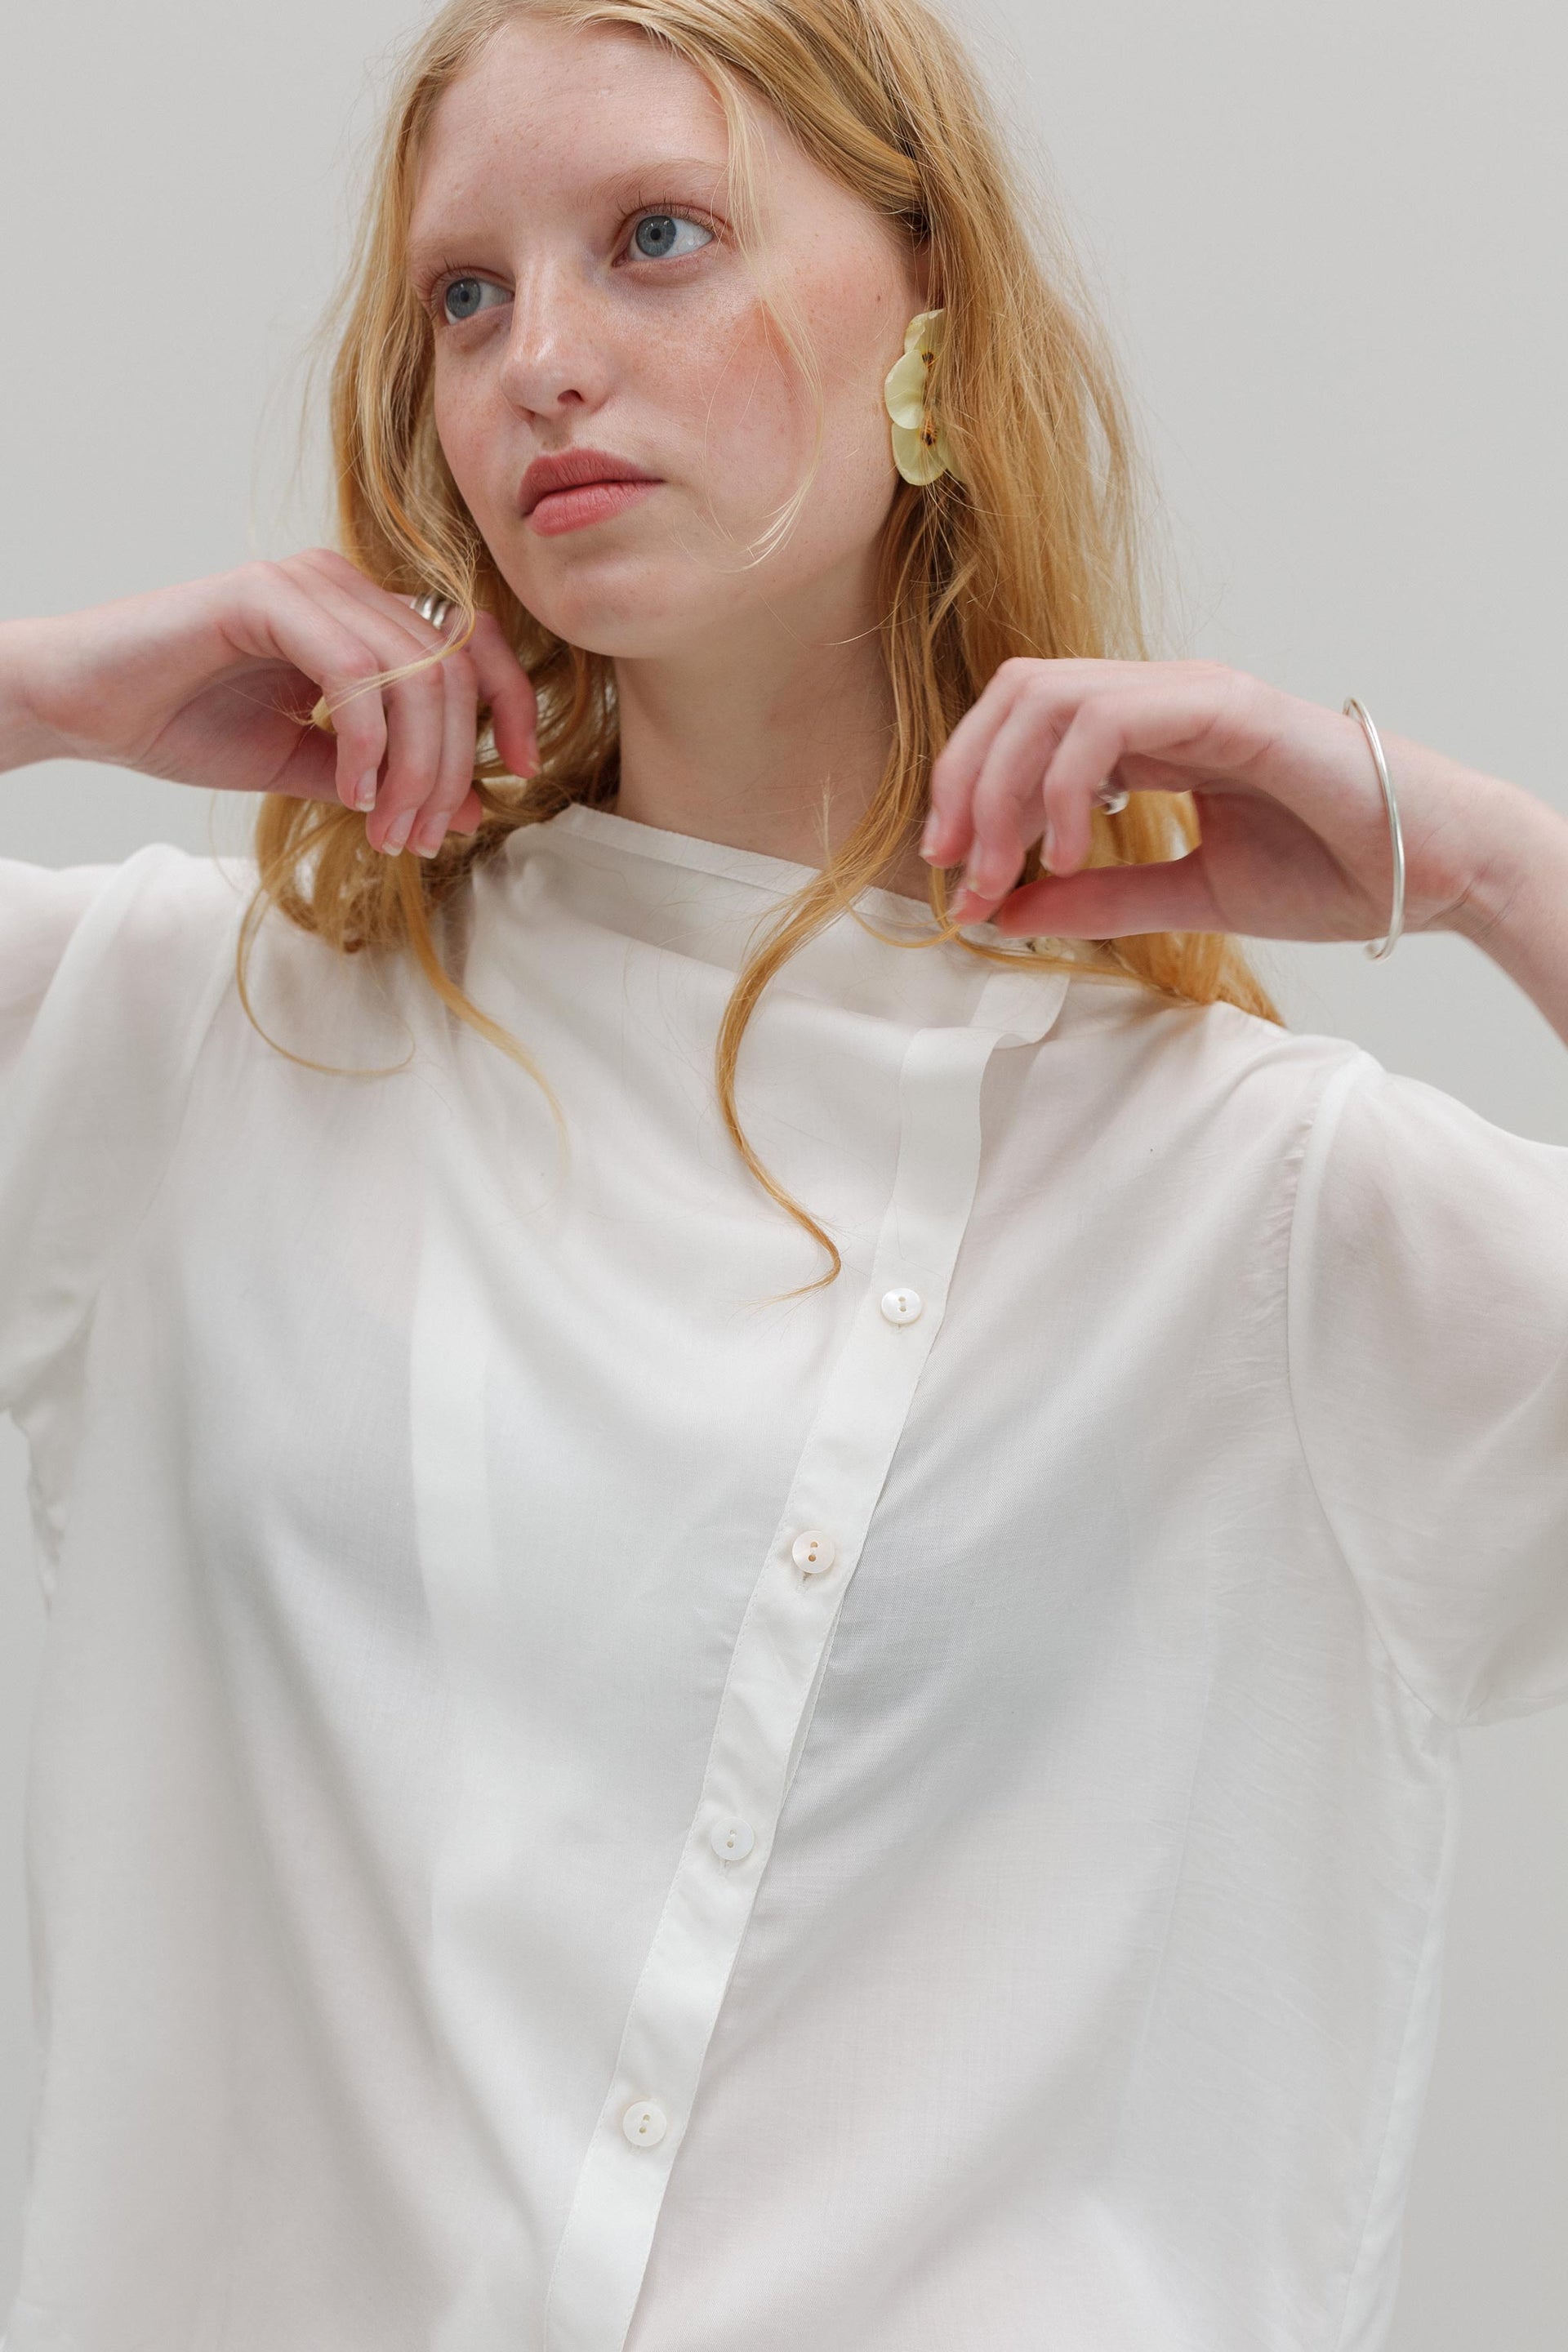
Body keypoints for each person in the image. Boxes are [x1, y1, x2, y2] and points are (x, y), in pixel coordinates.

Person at [1, 0, 1564, 2345]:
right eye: (466, 295)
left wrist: (1489, 868)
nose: (541, 360)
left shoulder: (1258, 1208)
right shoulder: (200, 1046)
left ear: (933, 307)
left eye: (656, 238)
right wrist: (38, 691)